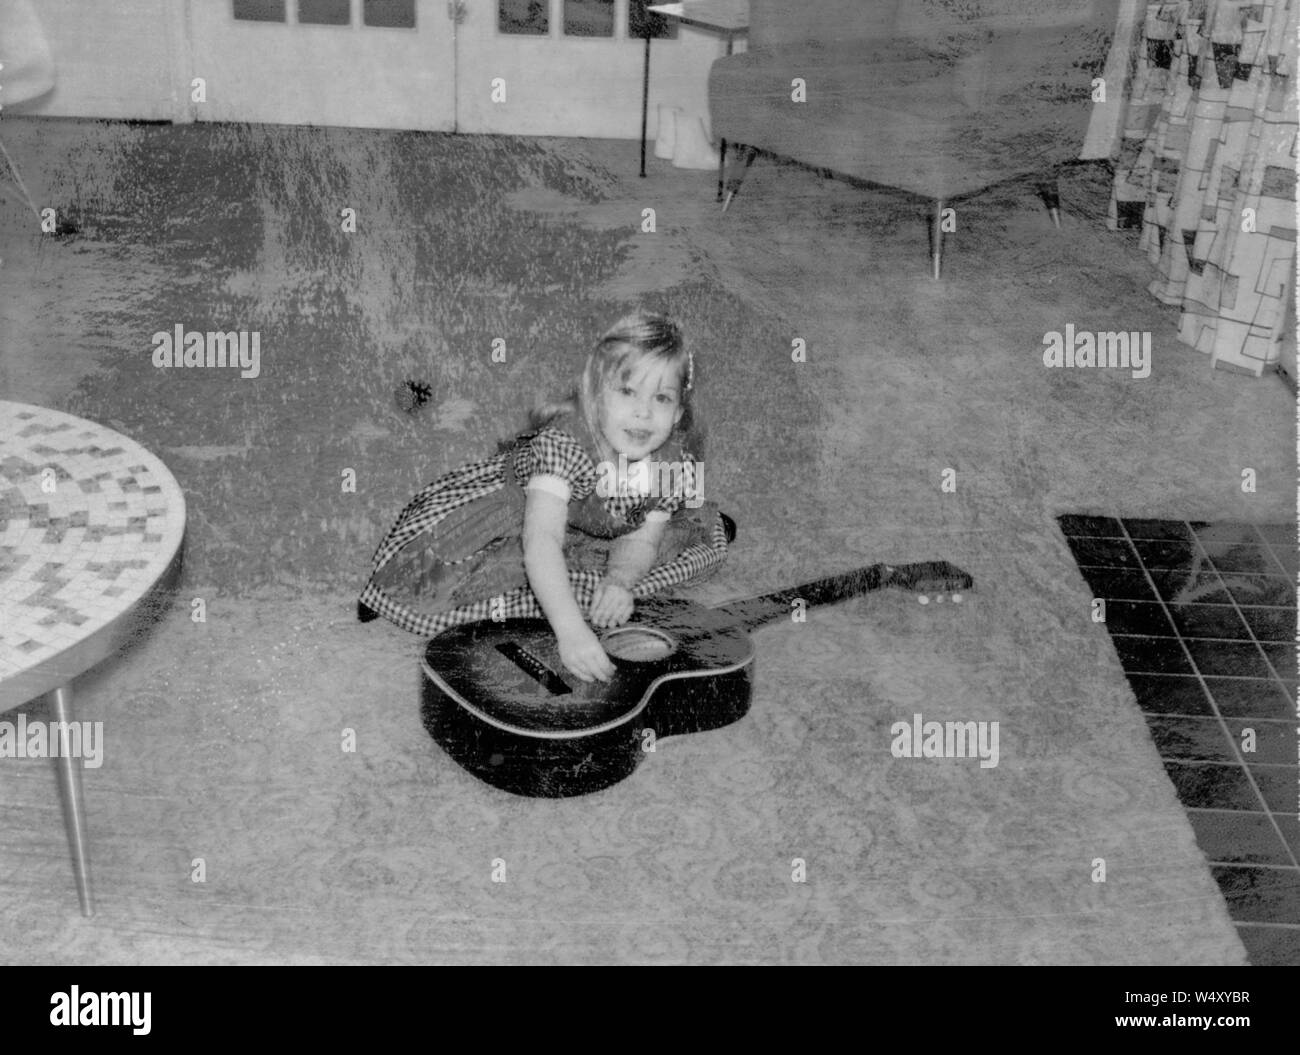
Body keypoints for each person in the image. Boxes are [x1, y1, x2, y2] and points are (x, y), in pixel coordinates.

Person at [357, 309, 735, 683]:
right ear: (596, 396)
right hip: (528, 514)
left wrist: (619, 579)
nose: (643, 412)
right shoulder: (566, 446)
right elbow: (541, 540)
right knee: (451, 589)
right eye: (627, 391)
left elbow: (642, 538)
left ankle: (594, 579)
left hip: (601, 525)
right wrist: (571, 632)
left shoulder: (669, 465)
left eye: (662, 398)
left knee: (684, 553)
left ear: (678, 412)